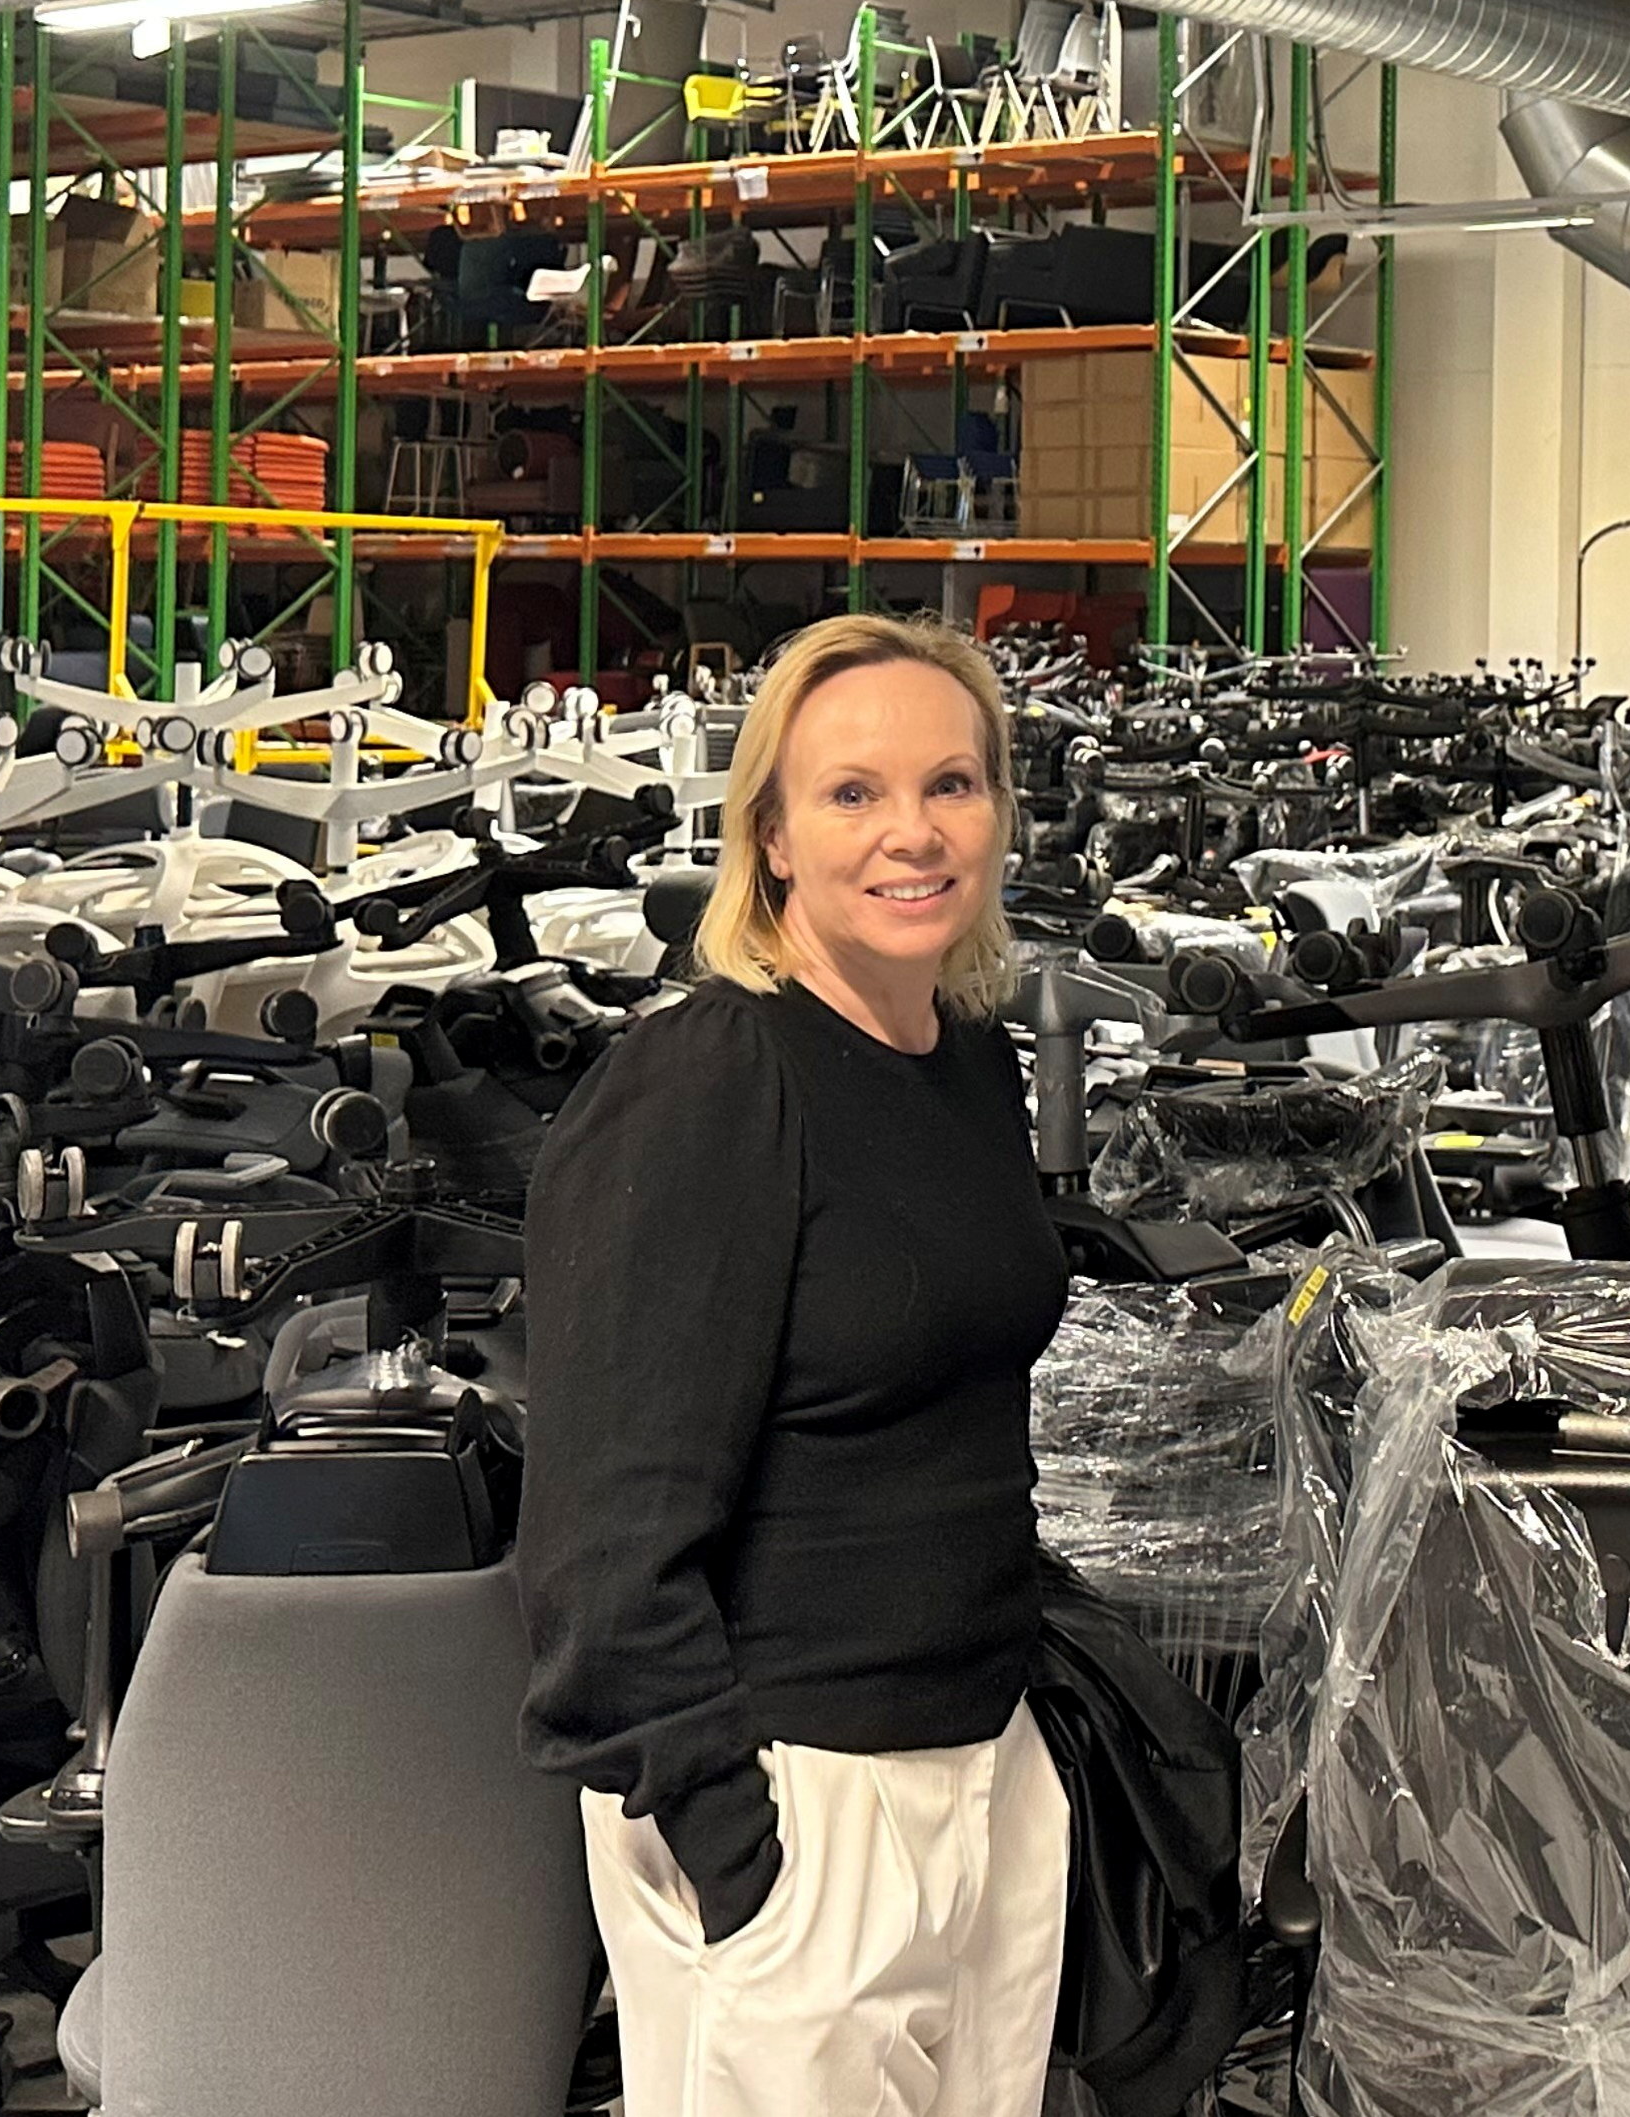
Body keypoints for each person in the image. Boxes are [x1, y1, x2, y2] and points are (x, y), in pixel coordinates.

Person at [518, 613, 1072, 2117]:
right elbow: (599, 1542)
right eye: (852, 793)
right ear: (769, 837)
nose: (914, 832)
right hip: (800, 1795)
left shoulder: (965, 1059)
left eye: (952, 784)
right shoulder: (708, 1080)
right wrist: (741, 1855)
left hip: (984, 1771)